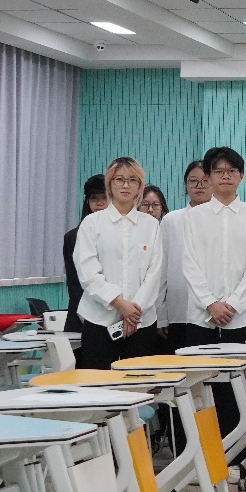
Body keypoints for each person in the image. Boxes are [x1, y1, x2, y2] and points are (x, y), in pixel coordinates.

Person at [181, 146, 246, 434]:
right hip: (201, 316)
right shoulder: (194, 217)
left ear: (241, 176)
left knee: (238, 385)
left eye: (232, 171)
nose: (225, 176)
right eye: (218, 171)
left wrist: (233, 304)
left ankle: (240, 451)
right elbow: (189, 264)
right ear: (208, 176)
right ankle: (206, 451)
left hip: (240, 316)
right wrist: (210, 303)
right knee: (201, 386)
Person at [73, 157, 164, 369]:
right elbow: (88, 272)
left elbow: (154, 272)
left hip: (142, 322)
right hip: (99, 319)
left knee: (139, 383)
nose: (125, 185)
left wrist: (133, 313)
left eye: (132, 180)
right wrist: (120, 304)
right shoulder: (92, 223)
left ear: (139, 186)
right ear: (110, 184)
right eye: (119, 179)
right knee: (99, 383)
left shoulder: (151, 225)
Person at [157, 160, 210, 353]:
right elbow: (161, 269)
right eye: (193, 181)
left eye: (204, 181)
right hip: (178, 311)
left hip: (212, 311)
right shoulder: (171, 220)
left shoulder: (222, 219)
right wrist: (161, 315)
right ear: (186, 185)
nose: (199, 186)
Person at [64, 174, 108, 335]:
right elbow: (74, 283)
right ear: (87, 202)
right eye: (94, 198)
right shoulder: (72, 237)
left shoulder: (122, 234)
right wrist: (85, 314)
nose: (99, 203)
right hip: (82, 313)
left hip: (115, 310)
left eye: (104, 198)